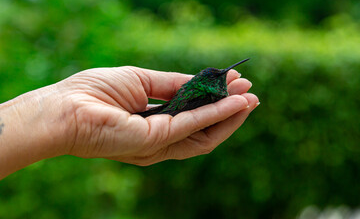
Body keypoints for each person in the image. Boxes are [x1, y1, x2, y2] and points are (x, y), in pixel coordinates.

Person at [0, 66, 259, 179]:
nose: (222, 77)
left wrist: (72, 119)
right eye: (217, 75)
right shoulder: (208, 91)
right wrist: (71, 116)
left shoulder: (210, 88)